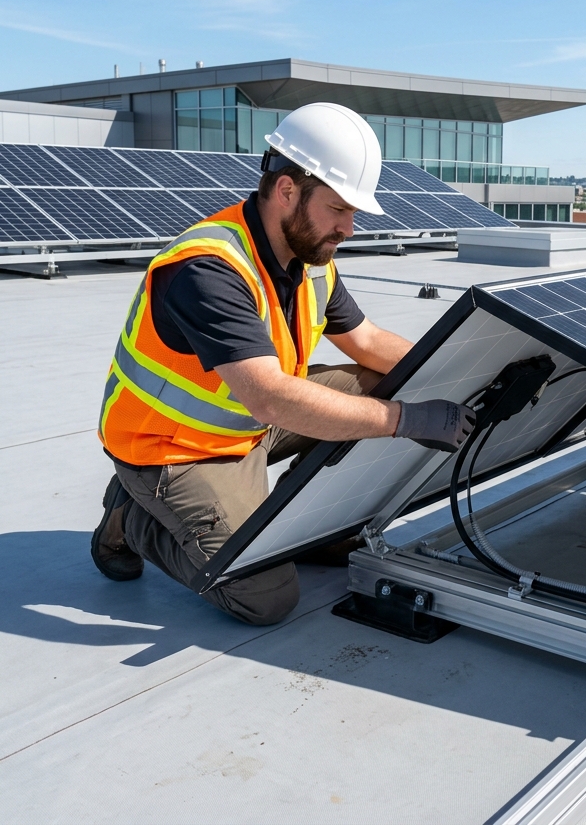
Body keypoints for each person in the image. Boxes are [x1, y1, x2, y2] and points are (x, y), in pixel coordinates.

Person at [90, 103, 475, 624]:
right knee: (266, 597)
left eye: (353, 213)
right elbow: (268, 395)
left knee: (383, 382)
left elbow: (366, 341)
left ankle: (310, 529)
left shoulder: (310, 260)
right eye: (339, 209)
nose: (349, 228)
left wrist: (466, 369)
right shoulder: (209, 268)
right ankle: (132, 516)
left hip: (250, 426)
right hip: (173, 449)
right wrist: (408, 420)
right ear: (287, 190)